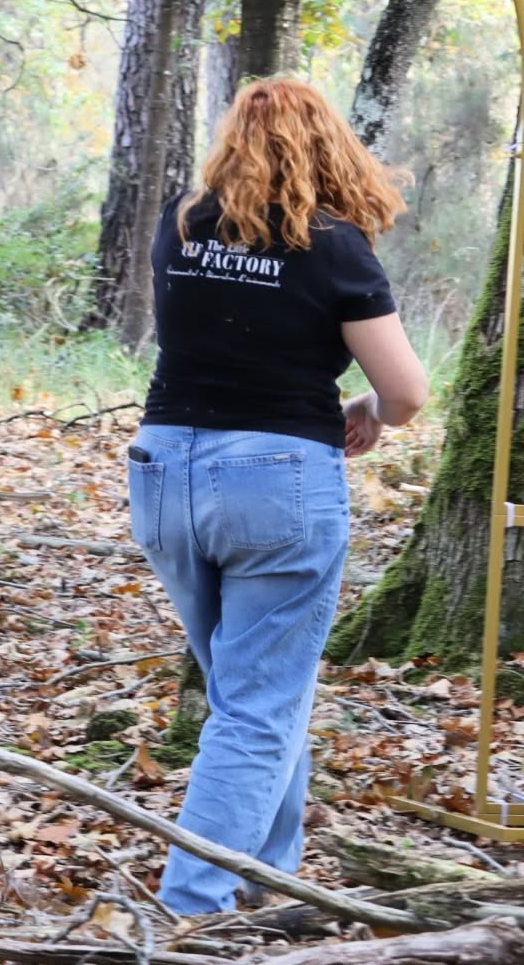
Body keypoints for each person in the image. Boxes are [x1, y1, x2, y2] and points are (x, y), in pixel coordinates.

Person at [128, 78, 428, 914]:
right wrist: (368, 411)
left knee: (253, 693)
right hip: (274, 478)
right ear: (330, 149)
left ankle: (270, 878)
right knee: (258, 706)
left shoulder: (180, 222)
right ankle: (192, 905)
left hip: (163, 471)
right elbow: (406, 393)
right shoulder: (332, 246)